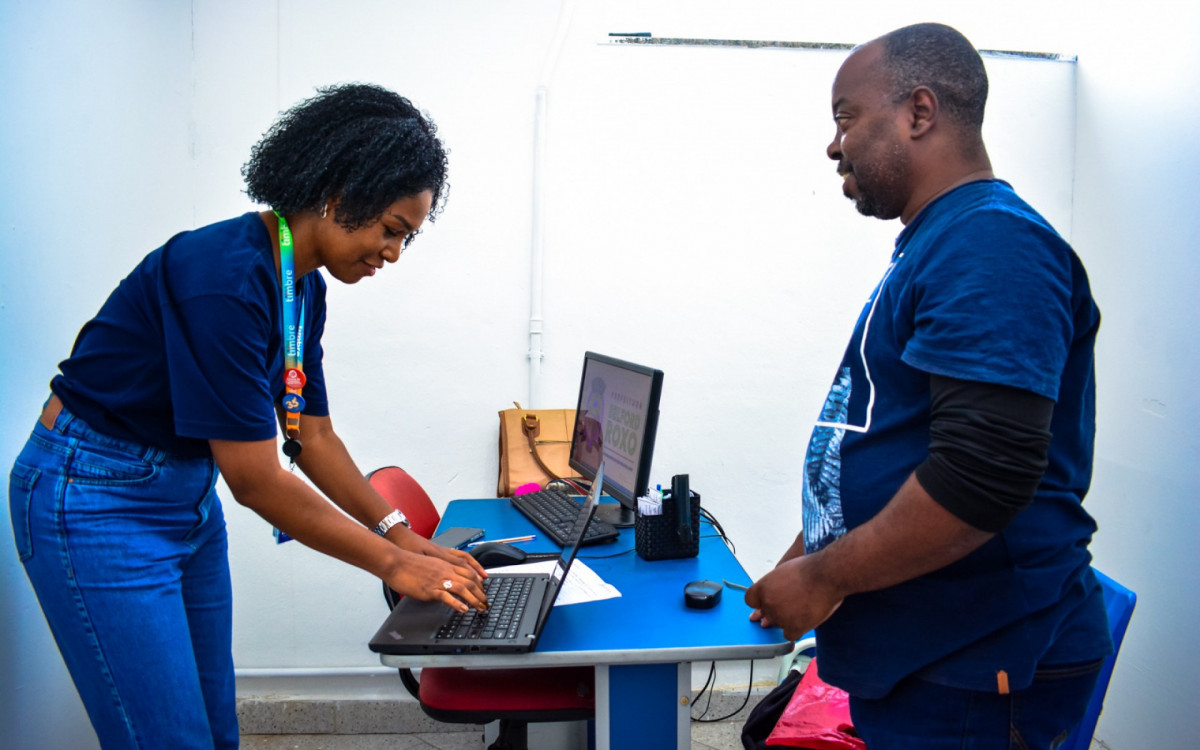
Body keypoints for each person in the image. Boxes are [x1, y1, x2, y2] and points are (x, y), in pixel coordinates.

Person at [7, 83, 488, 750]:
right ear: (339, 193)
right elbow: (257, 481)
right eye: (391, 230)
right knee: (170, 741)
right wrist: (390, 564)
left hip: (184, 496)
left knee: (217, 730)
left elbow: (311, 434)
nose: (393, 254)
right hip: (94, 497)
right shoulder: (223, 276)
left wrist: (398, 532)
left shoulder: (301, 282)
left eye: (406, 238)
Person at [745, 23, 1112, 749]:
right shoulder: (942, 241)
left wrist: (825, 578)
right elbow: (888, 438)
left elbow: (981, 477)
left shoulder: (992, 244)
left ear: (919, 112)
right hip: (932, 651)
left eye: (847, 119)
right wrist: (806, 556)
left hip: (975, 660)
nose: (833, 145)